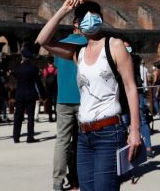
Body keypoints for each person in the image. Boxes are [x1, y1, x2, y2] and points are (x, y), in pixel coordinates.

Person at [36, 0, 141, 191]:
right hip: (84, 134)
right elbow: (42, 40)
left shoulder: (114, 45)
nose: (91, 20)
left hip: (109, 132)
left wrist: (135, 130)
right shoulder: (79, 52)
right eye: (85, 17)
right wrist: (63, 10)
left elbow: (130, 87)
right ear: (77, 24)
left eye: (96, 15)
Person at [51, 19, 87, 191]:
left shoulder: (61, 44)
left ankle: (58, 181)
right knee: (82, 141)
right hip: (83, 100)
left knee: (62, 141)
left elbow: (58, 67)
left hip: (63, 99)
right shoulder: (89, 43)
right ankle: (78, 178)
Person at [123, 40, 153, 159]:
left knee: (142, 120)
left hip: (137, 91)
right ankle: (127, 148)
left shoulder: (134, 58)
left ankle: (148, 147)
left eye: (127, 47)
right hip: (124, 94)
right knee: (125, 122)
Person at [13, 49, 44, 143]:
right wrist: (43, 95)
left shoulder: (17, 68)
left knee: (18, 116)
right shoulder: (33, 68)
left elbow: (15, 76)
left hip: (19, 95)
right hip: (30, 94)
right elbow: (38, 83)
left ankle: (16, 137)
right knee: (30, 117)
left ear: (22, 57)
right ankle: (30, 137)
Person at [42, 58, 58, 123]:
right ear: (53, 63)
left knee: (49, 103)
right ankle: (56, 117)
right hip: (55, 88)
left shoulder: (45, 70)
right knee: (55, 103)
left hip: (48, 89)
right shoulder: (56, 70)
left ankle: (50, 117)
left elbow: (44, 78)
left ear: (48, 63)